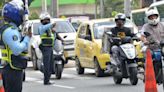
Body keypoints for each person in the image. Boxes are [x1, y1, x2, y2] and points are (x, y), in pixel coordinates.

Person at [1, 0, 32, 92]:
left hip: (11, 67)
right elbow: (17, 49)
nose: (23, 17)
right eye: (21, 14)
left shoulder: (8, 28)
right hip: (12, 69)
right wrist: (27, 37)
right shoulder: (11, 31)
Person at [38, 12, 56, 85]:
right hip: (45, 47)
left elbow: (53, 38)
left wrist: (54, 33)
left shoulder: (49, 29)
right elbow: (45, 27)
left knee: (50, 64)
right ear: (42, 21)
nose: (47, 21)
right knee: (47, 64)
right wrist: (51, 25)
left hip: (50, 47)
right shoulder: (41, 28)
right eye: (45, 20)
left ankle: (48, 78)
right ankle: (46, 80)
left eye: (48, 20)